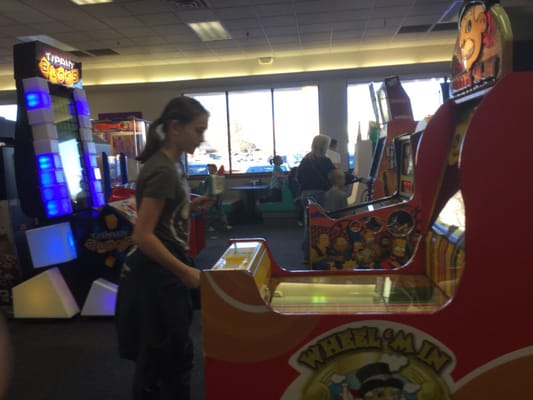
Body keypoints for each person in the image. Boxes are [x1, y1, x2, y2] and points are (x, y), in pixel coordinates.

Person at [115, 96, 215, 400]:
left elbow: (161, 220)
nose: (202, 138)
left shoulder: (169, 165)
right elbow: (143, 235)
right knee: (166, 360)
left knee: (165, 358)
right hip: (157, 274)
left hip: (162, 270)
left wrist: (192, 206)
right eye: (198, 130)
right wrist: (185, 272)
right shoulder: (162, 169)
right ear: (175, 128)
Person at [297, 134, 336, 263]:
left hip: (305, 195)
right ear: (324, 145)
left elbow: (298, 178)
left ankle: (307, 253)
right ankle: (316, 253)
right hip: (319, 194)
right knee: (319, 224)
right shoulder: (325, 161)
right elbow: (334, 176)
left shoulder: (306, 159)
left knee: (309, 223)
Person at [205, 163, 232, 232]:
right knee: (210, 212)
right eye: (209, 170)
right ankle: (209, 226)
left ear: (215, 169)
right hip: (213, 196)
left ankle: (224, 225)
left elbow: (206, 187)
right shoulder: (217, 177)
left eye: (211, 169)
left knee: (218, 211)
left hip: (215, 196)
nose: (210, 171)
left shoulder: (211, 178)